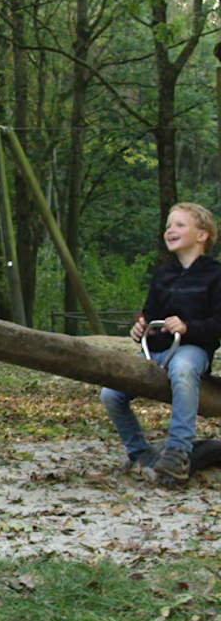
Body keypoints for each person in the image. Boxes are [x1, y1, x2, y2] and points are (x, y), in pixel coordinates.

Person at [101, 203, 221, 482]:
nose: (170, 230)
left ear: (202, 235)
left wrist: (189, 327)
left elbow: (218, 322)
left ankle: (178, 452)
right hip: (157, 352)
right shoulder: (163, 275)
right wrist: (142, 329)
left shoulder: (215, 274)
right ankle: (139, 452)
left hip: (191, 349)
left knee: (182, 371)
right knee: (111, 393)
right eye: (168, 226)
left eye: (179, 225)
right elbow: (152, 315)